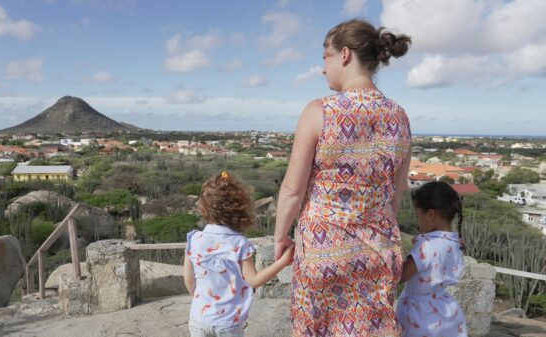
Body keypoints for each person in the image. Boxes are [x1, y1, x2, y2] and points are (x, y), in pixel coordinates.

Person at [273, 19, 412, 336]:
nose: (323, 69)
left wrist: (281, 236)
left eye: (325, 57)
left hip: (324, 251)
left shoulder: (319, 111)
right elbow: (396, 194)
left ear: (344, 54)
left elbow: (293, 190)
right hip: (378, 254)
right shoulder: (400, 116)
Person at [184, 171, 295, 337]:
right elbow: (254, 281)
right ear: (239, 209)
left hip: (198, 320)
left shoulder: (194, 239)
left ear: (204, 207)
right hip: (228, 324)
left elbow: (189, 281)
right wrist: (283, 261)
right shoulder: (240, 244)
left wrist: (202, 301)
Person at [396, 181, 468, 337]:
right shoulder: (456, 242)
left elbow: (400, 276)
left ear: (430, 214)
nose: (418, 220)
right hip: (445, 310)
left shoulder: (426, 246)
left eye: (418, 215)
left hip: (420, 314)